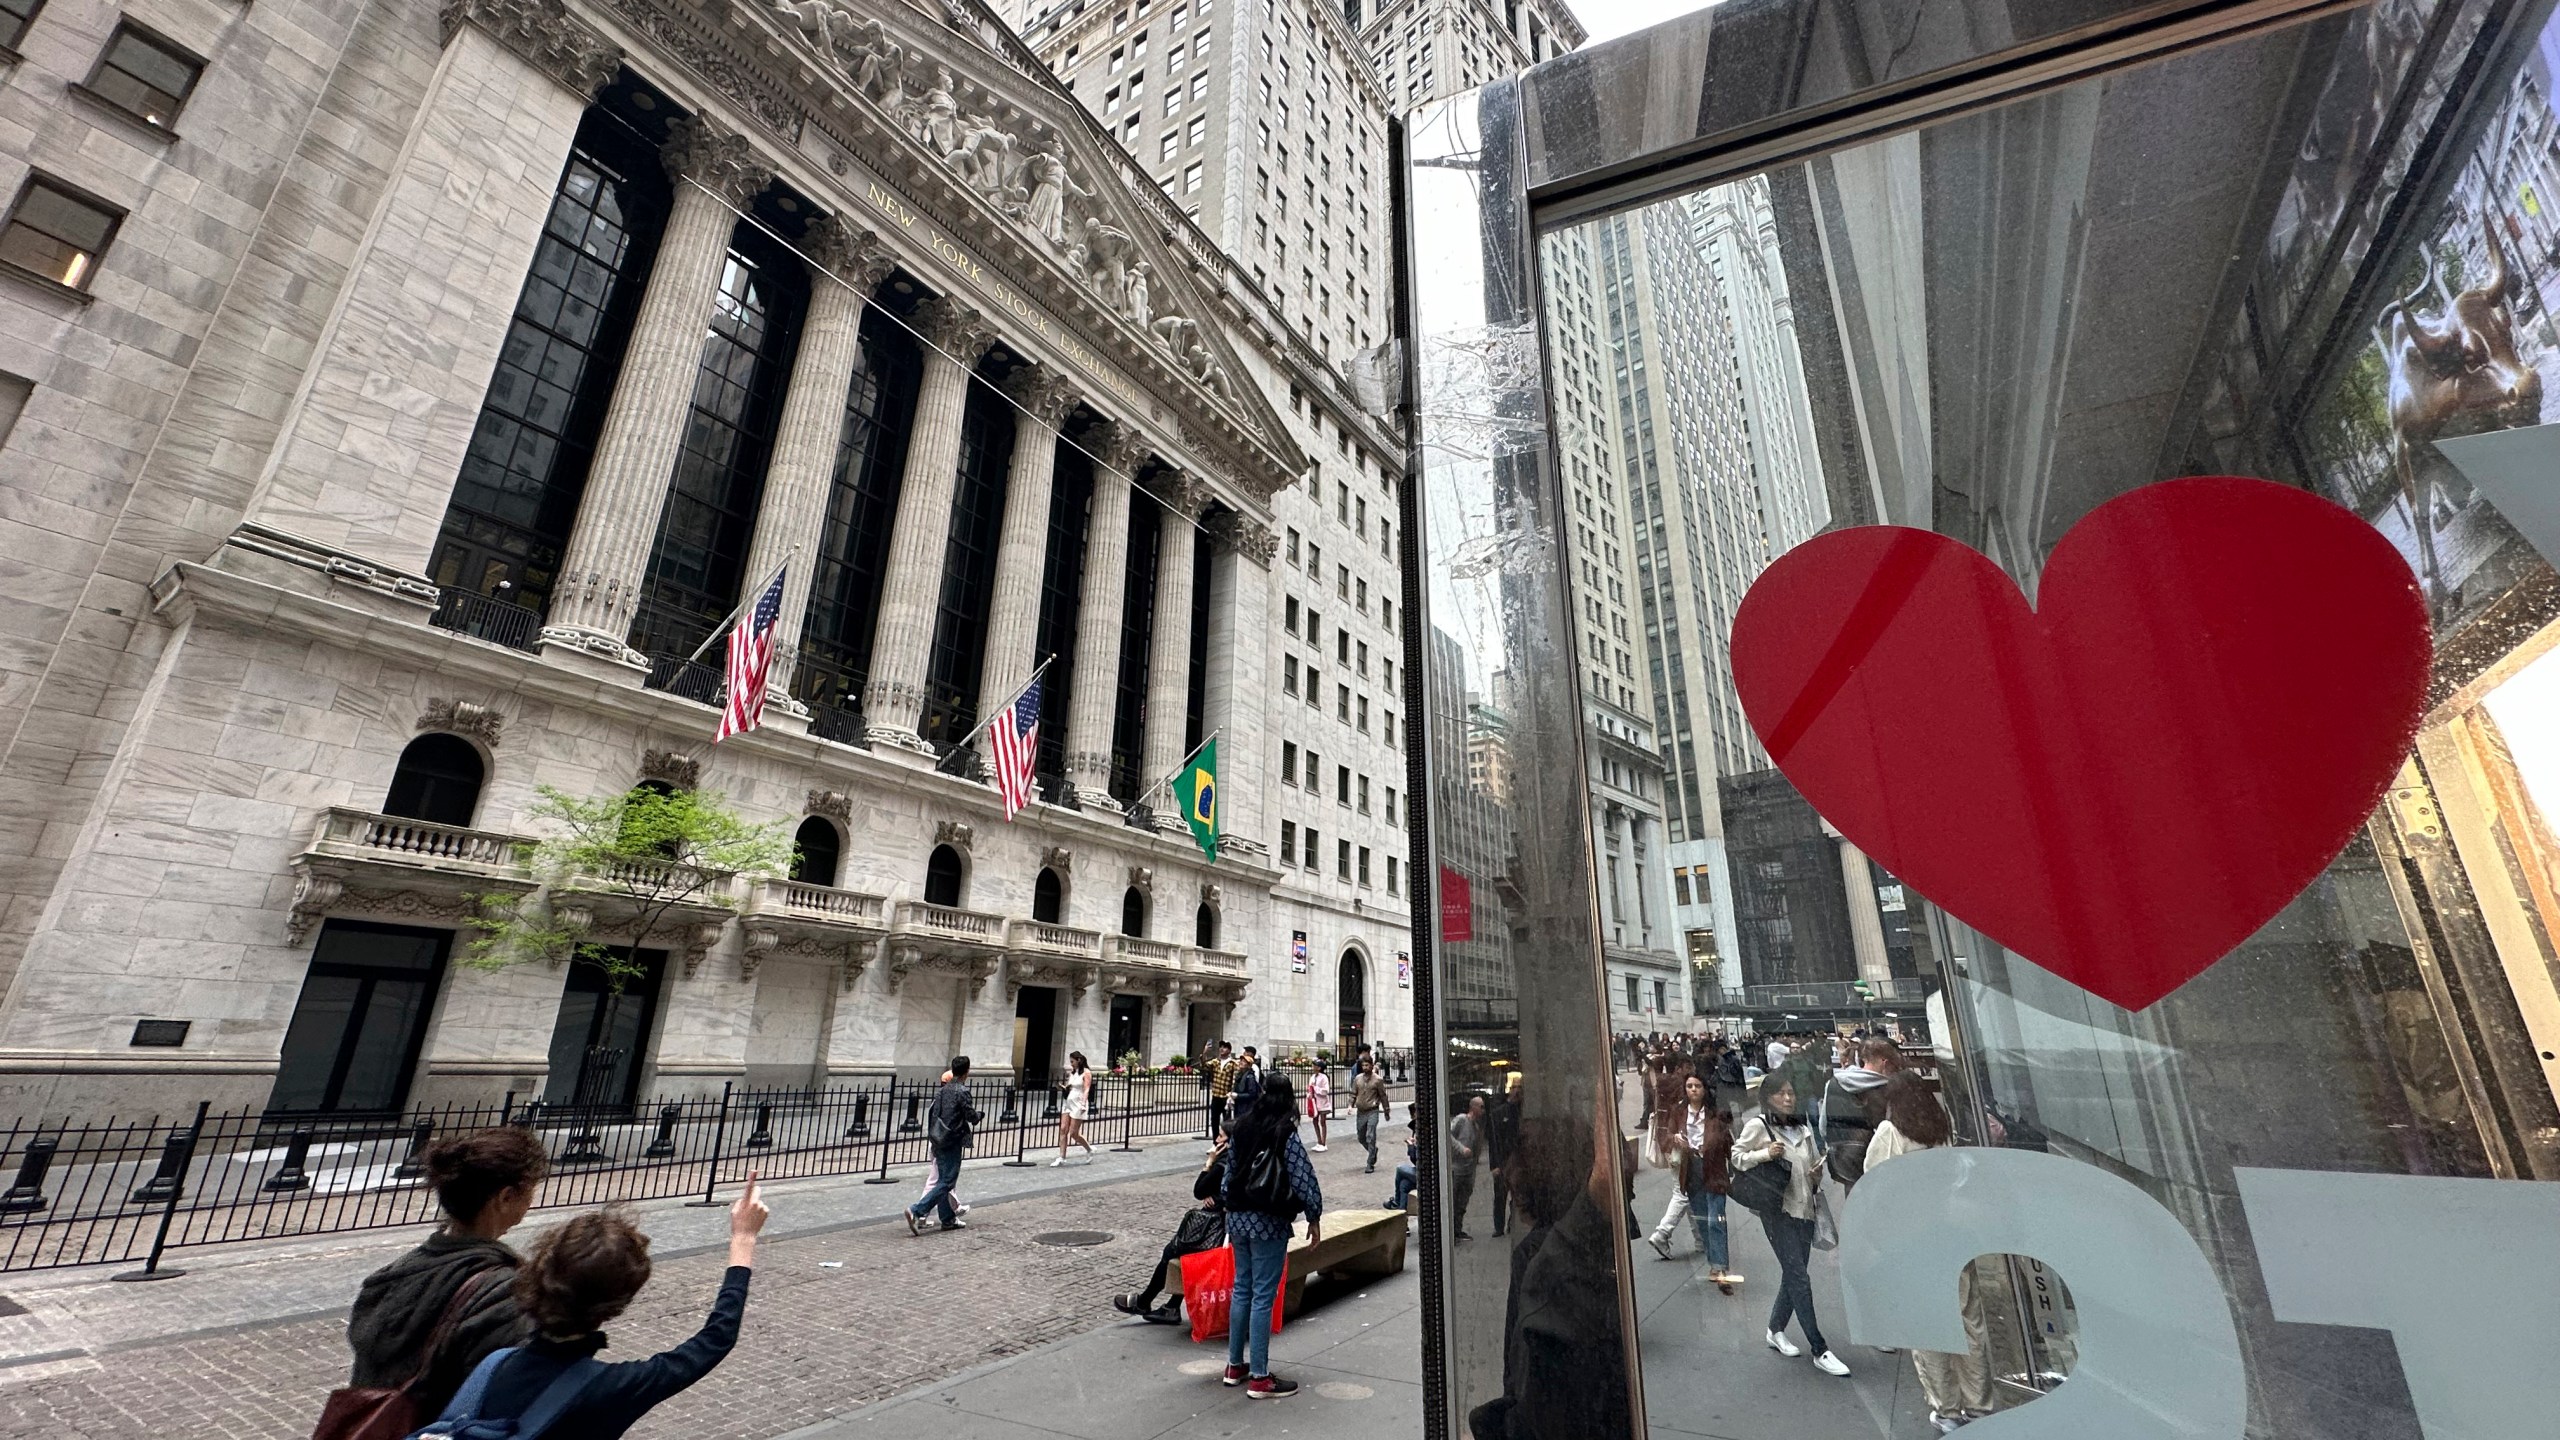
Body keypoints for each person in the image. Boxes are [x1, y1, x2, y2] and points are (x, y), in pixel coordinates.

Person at [423, 1177, 768, 1437]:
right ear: (619, 1302)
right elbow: (715, 1339)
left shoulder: (492, 1366)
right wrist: (743, 1240)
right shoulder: (612, 1387)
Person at [340, 1127, 547, 1422]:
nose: (530, 1203)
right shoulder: (503, 1293)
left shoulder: (389, 1277)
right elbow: (509, 1397)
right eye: (530, 1192)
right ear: (506, 1197)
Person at [1867, 1073, 1991, 1432]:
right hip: (1952, 1235)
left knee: (1928, 1329)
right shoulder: (1941, 1130)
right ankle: (1979, 1404)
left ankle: (1947, 1409)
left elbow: (1875, 1185)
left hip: (1912, 1241)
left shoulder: (1891, 1132)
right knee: (1970, 1323)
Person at [1732, 1066, 1847, 1377]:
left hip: (1805, 1208)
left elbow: (1810, 1164)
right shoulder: (1758, 1126)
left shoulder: (1803, 1127)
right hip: (1778, 1211)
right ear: (1768, 1098)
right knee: (1798, 1277)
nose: (1787, 1098)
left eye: (1791, 1093)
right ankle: (1819, 1348)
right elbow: (1737, 1157)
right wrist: (1765, 1154)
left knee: (1794, 1274)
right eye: (1781, 1093)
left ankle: (1775, 1329)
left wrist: (1815, 1174)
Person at [1213, 1073, 1322, 1398]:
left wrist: (1230, 1206)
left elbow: (1228, 1171)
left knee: (1242, 1288)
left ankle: (1235, 1366)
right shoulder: (1283, 1130)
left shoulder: (1242, 1125)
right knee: (1262, 1294)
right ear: (1288, 1097)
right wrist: (1313, 1214)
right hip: (1268, 1220)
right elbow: (1302, 1175)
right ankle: (1260, 1377)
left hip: (1238, 1218)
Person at [1113, 1138, 1230, 1324]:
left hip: (1218, 1230)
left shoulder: (1222, 1163)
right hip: (1225, 1229)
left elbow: (1198, 1190)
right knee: (1181, 1254)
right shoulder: (1236, 1159)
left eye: (1222, 1136)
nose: (1217, 1139)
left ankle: (1145, 1301)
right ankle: (1170, 1306)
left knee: (1173, 1251)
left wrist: (1209, 1163)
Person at [1646, 1074, 1739, 1292]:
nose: (1693, 1090)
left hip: (1714, 1168)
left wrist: (1734, 1166)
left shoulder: (1717, 1113)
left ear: (1705, 1089)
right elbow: (1667, 1137)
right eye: (1689, 1086)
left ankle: (1721, 1267)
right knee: (1702, 1220)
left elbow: (1729, 1142)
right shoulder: (1678, 1112)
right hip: (1691, 1168)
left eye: (1697, 1085)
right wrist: (1675, 1140)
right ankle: (1713, 1262)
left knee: (1717, 1219)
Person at [906, 1055, 983, 1235]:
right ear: (967, 1071)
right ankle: (917, 1210)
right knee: (947, 1181)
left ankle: (947, 1219)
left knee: (942, 1179)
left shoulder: (943, 1090)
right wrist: (979, 1115)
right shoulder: (962, 1091)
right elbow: (970, 1116)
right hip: (952, 1139)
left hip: (937, 1138)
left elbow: (934, 1113)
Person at [1820, 1039, 1901, 1191]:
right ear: (1885, 1062)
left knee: (1854, 1201)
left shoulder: (1834, 1083)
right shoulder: (1889, 1088)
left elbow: (1823, 1127)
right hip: (1879, 1159)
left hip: (1845, 1159)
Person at [1447, 1092, 1488, 1240]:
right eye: (1481, 1107)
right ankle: (1451, 1231)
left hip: (1468, 1170)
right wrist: (1461, 1148)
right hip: (1456, 1168)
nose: (1483, 1111)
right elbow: (1448, 1135)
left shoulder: (1477, 1126)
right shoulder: (1461, 1120)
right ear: (1474, 1107)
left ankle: (1458, 1229)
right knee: (1453, 1200)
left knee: (1462, 1202)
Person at [1487, 1074, 1523, 1238]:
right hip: (1502, 1160)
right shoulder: (1499, 1113)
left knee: (1517, 1194)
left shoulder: (1522, 1111)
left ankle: (1511, 1223)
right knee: (1500, 1196)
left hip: (1518, 1161)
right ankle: (1499, 1226)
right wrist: (1494, 1165)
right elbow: (1493, 1141)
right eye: (1515, 1088)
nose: (1517, 1091)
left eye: (1519, 1088)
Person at [1054, 1050, 1096, 1166]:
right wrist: (1064, 1088)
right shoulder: (1073, 1073)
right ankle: (1062, 1157)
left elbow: (1087, 1088)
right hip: (1069, 1101)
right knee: (1063, 1129)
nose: (1071, 1064)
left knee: (1073, 1133)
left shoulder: (1086, 1072)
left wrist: (1083, 1103)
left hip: (1078, 1102)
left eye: (1072, 1061)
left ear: (1079, 1060)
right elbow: (1070, 1086)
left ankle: (1089, 1149)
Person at [1352, 1057, 1390, 1173]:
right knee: (1361, 1137)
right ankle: (1373, 1151)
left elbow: (1383, 1096)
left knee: (1370, 1135)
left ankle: (1370, 1163)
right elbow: (1353, 1093)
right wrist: (1350, 1105)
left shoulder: (1378, 1080)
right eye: (1363, 1065)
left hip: (1373, 1110)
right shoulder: (1358, 1079)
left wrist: (1386, 1110)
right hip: (1361, 1111)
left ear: (1372, 1065)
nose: (1365, 1068)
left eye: (1367, 1065)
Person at [1386, 1102, 1421, 1211]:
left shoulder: (1421, 1129)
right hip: (1420, 1169)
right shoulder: (1416, 1129)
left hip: (1424, 1172)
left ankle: (1396, 1203)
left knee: (1400, 1169)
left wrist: (1411, 1146)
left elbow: (1415, 1158)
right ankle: (1401, 1217)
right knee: (1403, 1185)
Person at [1207, 1041, 1238, 1147]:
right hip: (1216, 1095)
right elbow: (1204, 1065)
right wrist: (1204, 1053)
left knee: (1226, 1121)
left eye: (1224, 1048)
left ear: (1229, 1050)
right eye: (1221, 1047)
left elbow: (1234, 1079)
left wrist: (1232, 1094)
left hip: (1225, 1096)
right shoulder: (1215, 1062)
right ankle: (1216, 1142)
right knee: (1214, 1120)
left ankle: (1225, 1142)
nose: (1222, 1049)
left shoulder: (1233, 1063)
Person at [1306, 1064, 1331, 1151]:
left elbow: (1326, 1091)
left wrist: (1315, 1088)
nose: (1313, 1067)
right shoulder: (1312, 1077)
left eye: (1314, 1066)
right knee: (1315, 1121)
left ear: (1319, 1068)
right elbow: (1309, 1088)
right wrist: (1309, 1093)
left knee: (1322, 1121)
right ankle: (1319, 1141)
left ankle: (1324, 1143)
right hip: (1314, 1102)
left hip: (1322, 1102)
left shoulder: (1324, 1077)